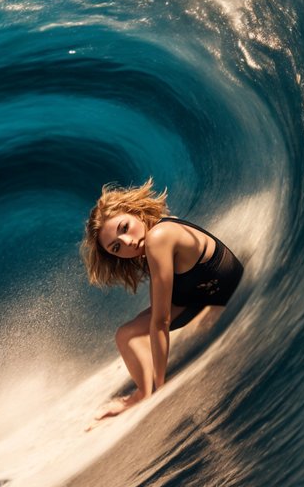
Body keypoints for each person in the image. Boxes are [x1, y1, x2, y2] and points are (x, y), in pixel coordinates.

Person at [80, 178, 244, 422]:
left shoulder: (158, 238)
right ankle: (144, 389)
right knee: (131, 330)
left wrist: (161, 390)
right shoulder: (165, 224)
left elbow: (161, 320)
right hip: (210, 290)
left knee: (127, 335)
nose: (127, 243)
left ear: (134, 213)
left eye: (124, 228)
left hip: (216, 292)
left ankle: (144, 394)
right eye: (116, 247)